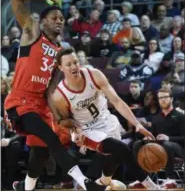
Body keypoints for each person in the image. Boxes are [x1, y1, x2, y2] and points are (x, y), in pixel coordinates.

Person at [4, 0, 106, 191]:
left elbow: (50, 91)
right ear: (43, 22)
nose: (59, 20)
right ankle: (85, 183)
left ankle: (24, 187)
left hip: (41, 105)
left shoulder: (60, 54)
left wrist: (59, 117)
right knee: (51, 140)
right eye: (54, 17)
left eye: (61, 18)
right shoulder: (32, 33)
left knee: (41, 152)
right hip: (20, 101)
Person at [52, 47, 161, 190]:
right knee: (121, 149)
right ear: (61, 67)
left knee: (114, 155)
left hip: (107, 119)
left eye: (75, 62)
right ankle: (152, 186)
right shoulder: (59, 95)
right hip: (87, 129)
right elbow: (64, 121)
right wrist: (75, 130)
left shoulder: (94, 75)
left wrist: (137, 124)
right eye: (68, 64)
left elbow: (116, 101)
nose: (74, 66)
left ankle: (103, 181)